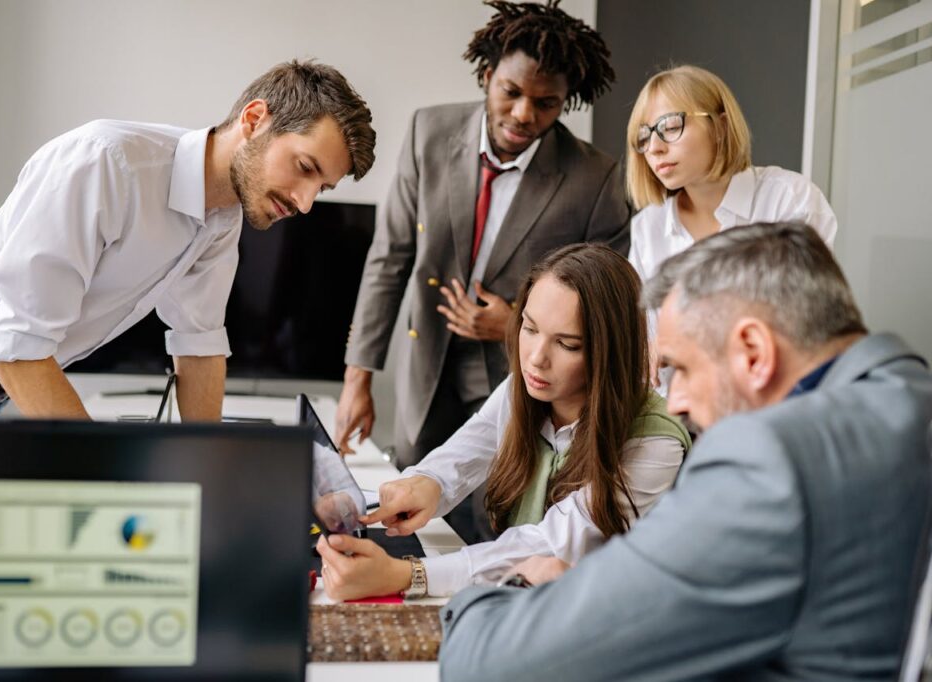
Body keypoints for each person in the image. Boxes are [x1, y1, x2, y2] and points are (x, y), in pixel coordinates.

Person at [437, 222, 932, 682]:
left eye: (682, 369)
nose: (677, 402)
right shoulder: (907, 396)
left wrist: (491, 595)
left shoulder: (769, 461)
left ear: (754, 353)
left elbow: (502, 663)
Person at [0, 60, 375, 418]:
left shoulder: (223, 215)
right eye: (305, 168)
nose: (307, 203)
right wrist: (109, 483)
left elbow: (200, 348)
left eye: (322, 188)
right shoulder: (106, 163)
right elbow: (16, 347)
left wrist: (204, 482)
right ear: (255, 120)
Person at [336, 1, 630, 480]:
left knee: (495, 517)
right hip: (427, 361)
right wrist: (357, 378)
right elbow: (389, 259)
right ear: (487, 74)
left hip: (521, 376)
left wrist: (515, 324)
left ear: (566, 101)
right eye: (510, 92)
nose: (522, 114)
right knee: (414, 500)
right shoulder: (427, 133)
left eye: (545, 103)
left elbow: (607, 306)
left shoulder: (596, 179)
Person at [316, 244, 690, 600]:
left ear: (610, 351)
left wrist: (408, 575)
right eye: (529, 328)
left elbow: (548, 542)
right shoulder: (527, 387)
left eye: (567, 344)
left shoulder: (655, 442)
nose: (536, 358)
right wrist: (423, 483)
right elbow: (465, 451)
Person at [627, 65, 837, 284]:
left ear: (720, 127)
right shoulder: (647, 227)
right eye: (643, 137)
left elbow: (806, 311)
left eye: (670, 127)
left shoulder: (791, 200)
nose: (653, 148)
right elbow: (641, 318)